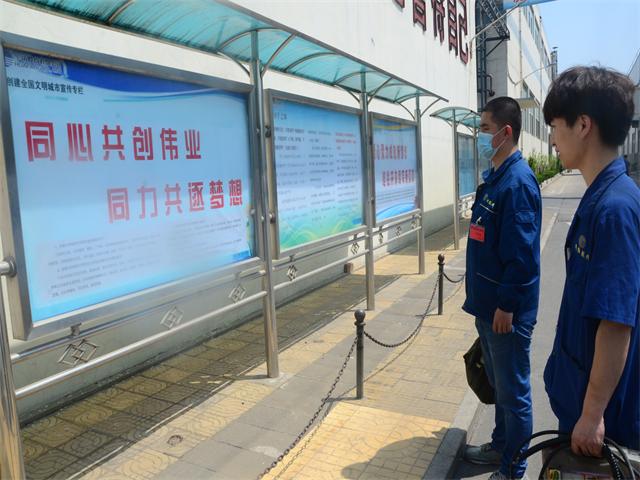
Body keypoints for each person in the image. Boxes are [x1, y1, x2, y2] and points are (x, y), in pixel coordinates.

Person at [543, 66, 639, 454]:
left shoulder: (615, 209)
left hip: (604, 421)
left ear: (583, 125)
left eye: (554, 126)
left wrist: (592, 413)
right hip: (582, 399)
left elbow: (616, 322)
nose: (552, 139)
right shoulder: (604, 196)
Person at [462, 97, 542, 480]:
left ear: (505, 133)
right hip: (488, 308)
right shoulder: (497, 178)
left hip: (505, 315)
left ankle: (513, 469)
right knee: (500, 389)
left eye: (484, 129)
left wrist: (507, 306)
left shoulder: (518, 183)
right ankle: (500, 446)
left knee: (514, 395)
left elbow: (522, 257)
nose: (479, 136)